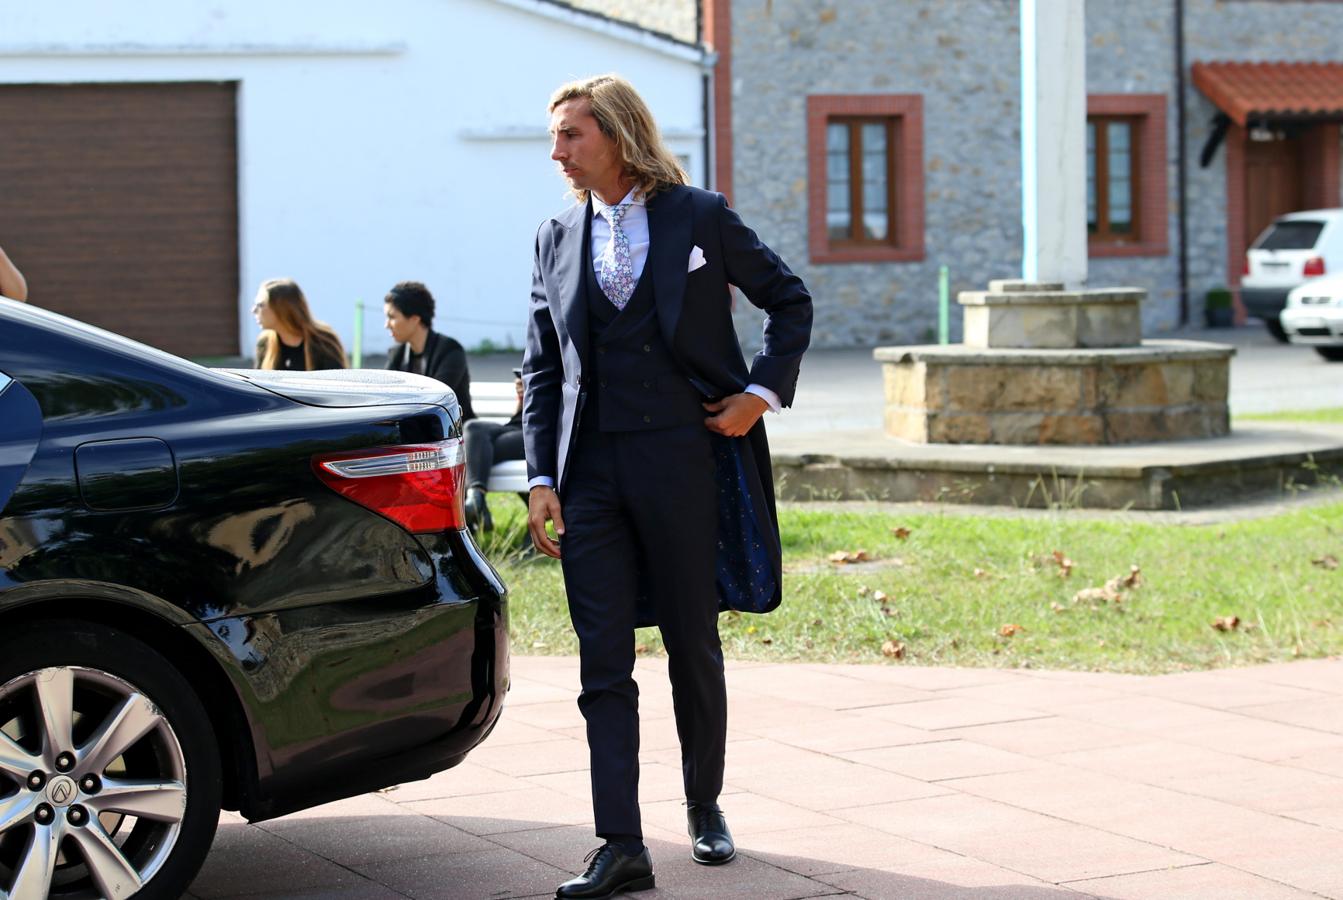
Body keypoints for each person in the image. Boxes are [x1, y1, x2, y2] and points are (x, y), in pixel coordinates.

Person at [522, 74, 812, 899]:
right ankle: (620, 843)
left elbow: (787, 301)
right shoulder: (551, 236)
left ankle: (703, 804)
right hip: (589, 476)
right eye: (555, 137)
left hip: (683, 458)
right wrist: (541, 475)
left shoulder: (699, 216)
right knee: (601, 660)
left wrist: (759, 394)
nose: (557, 153)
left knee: (692, 640)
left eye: (571, 136)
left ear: (614, 134)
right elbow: (542, 366)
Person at [384, 281, 475, 421]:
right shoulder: (397, 354)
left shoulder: (450, 351)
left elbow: (435, 401)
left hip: (452, 435)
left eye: (392, 317)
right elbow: (385, 395)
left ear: (414, 319)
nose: (386, 325)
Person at [462, 368, 525, 532]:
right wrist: (523, 397)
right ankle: (477, 502)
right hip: (517, 426)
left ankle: (476, 506)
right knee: (473, 427)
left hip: (541, 432)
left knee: (471, 451)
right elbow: (520, 415)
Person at [252, 278, 347, 370]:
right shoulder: (265, 342)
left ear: (282, 309)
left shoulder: (324, 342)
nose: (254, 310)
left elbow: (336, 383)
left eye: (260, 305)